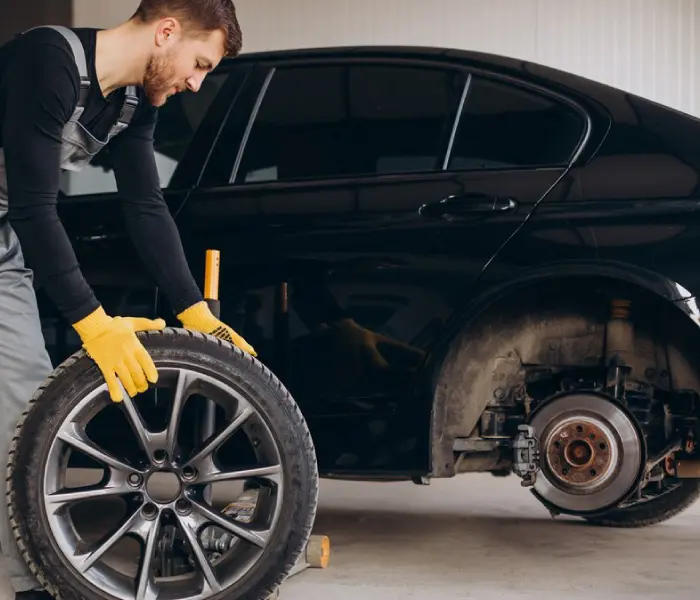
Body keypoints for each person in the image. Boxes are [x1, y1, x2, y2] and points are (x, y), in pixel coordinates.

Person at [0, 1, 255, 597]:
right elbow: (40, 208)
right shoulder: (49, 61)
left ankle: (34, 584)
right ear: (165, 31)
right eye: (198, 62)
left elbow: (144, 205)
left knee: (24, 411)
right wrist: (95, 323)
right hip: (18, 220)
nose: (196, 82)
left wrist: (194, 311)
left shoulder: (137, 100)